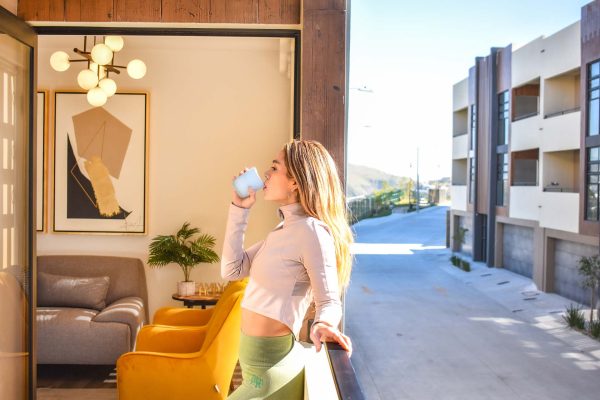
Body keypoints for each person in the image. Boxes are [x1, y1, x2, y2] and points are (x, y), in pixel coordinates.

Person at [221, 139, 354, 399]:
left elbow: (328, 300)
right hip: (253, 367)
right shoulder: (282, 231)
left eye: (274, 168)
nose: (266, 175)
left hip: (273, 370)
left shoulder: (312, 231)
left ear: (295, 181)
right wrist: (239, 209)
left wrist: (324, 324)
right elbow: (232, 269)